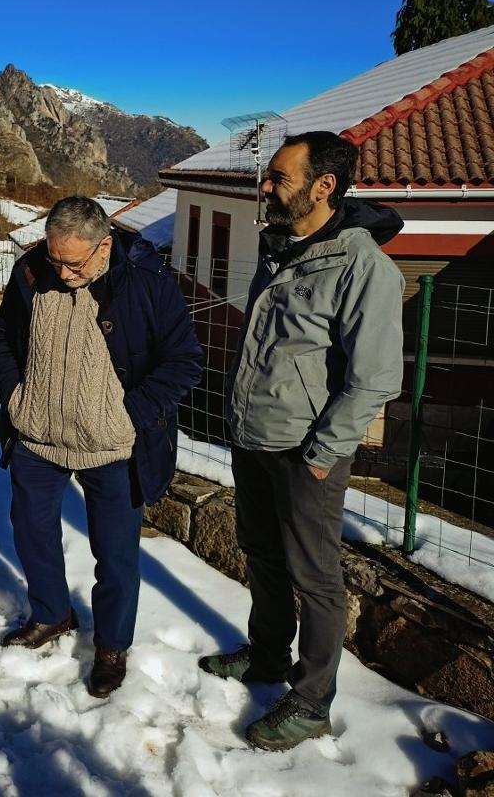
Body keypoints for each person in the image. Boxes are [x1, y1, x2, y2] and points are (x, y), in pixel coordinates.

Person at [199, 131, 404, 750]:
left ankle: (312, 701)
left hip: (305, 452)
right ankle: (266, 657)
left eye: (280, 177)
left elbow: (376, 381)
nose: (266, 186)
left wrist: (321, 454)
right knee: (260, 552)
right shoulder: (282, 249)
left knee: (314, 577)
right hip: (255, 437)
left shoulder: (362, 268)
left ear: (325, 187)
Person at [0, 197, 202, 697]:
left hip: (113, 445)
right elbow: (4, 335)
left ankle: (111, 646)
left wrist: (128, 416)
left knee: (115, 555)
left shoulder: (147, 282)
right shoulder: (30, 270)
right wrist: (16, 397)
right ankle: (51, 615)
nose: (62, 272)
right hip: (38, 437)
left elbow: (184, 361)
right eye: (54, 259)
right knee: (32, 532)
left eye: (75, 263)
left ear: (105, 245)